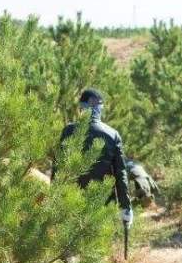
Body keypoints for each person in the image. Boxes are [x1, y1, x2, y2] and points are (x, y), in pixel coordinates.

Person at [56, 89, 133, 227]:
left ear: (81, 107)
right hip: (102, 206)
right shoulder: (112, 135)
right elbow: (120, 175)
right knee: (98, 247)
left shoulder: (68, 131)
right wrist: (126, 208)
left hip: (70, 204)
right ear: (100, 108)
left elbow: (58, 169)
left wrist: (54, 201)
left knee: (68, 247)